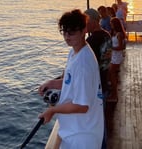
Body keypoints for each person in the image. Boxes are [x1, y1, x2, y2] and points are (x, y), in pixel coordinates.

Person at [38, 9, 104, 149]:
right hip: (73, 131)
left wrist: (52, 111)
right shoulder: (74, 52)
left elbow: (82, 106)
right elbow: (70, 82)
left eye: (72, 32)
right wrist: (51, 83)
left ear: (84, 30)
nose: (67, 37)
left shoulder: (83, 64)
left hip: (82, 137)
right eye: (64, 32)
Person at [85, 8, 112, 149]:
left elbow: (87, 67)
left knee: (95, 124)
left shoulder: (91, 41)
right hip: (104, 83)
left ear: (94, 21)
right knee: (101, 122)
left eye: (86, 22)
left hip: (95, 88)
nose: (84, 26)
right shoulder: (107, 35)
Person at [107, 17, 126, 102]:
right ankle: (113, 92)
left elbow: (121, 47)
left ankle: (114, 95)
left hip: (117, 57)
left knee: (111, 74)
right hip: (113, 56)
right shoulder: (113, 33)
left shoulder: (119, 34)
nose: (110, 25)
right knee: (111, 74)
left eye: (111, 23)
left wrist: (111, 48)